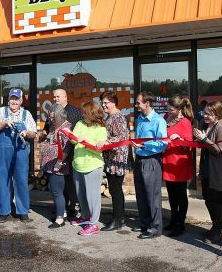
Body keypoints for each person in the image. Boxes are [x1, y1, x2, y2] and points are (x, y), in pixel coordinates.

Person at [0, 88, 37, 223]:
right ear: (8, 100)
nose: (14, 101)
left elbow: (34, 133)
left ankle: (23, 211)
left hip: (21, 150)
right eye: (12, 99)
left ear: (21, 101)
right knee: (3, 179)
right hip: (3, 150)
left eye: (17, 99)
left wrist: (27, 133)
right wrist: (3, 123)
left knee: (21, 180)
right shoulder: (0, 112)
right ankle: (4, 210)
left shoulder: (27, 114)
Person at [194, 100, 222, 244]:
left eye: (208, 113)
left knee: (218, 201)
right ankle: (214, 227)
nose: (204, 115)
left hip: (219, 170)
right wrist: (198, 138)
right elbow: (200, 143)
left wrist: (204, 139)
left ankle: (219, 232)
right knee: (208, 199)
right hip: (207, 167)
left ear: (217, 114)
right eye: (204, 112)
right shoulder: (206, 124)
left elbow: (219, 150)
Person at [131, 91, 167, 239]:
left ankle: (156, 227)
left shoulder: (159, 121)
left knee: (152, 196)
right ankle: (145, 223)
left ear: (147, 103)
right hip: (139, 159)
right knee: (141, 194)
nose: (136, 105)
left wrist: (144, 145)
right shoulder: (139, 118)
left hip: (151, 160)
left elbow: (163, 143)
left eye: (138, 102)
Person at [43, 88, 83, 218]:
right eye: (54, 97)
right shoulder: (52, 112)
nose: (55, 99)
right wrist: (44, 135)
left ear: (66, 97)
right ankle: (62, 208)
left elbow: (78, 131)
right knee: (59, 184)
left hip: (70, 153)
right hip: (56, 156)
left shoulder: (76, 112)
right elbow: (47, 128)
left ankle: (73, 206)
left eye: (58, 97)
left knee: (71, 183)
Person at [69, 101, 107, 236]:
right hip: (78, 164)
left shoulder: (101, 128)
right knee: (81, 194)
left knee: (93, 197)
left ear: (92, 114)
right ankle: (85, 216)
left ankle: (94, 224)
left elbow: (98, 150)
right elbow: (73, 139)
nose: (82, 115)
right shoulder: (80, 123)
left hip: (93, 166)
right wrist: (76, 138)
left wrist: (86, 143)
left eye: (85, 113)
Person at [96, 91, 131, 231]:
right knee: (115, 190)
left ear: (114, 103)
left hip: (117, 159)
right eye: (102, 102)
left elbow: (122, 136)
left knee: (116, 191)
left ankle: (118, 220)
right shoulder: (110, 116)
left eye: (106, 102)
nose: (103, 105)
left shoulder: (117, 117)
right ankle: (119, 218)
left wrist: (106, 141)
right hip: (111, 157)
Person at [163, 95, 194, 237]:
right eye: (168, 108)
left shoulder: (185, 122)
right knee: (171, 194)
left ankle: (180, 223)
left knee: (180, 195)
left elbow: (189, 146)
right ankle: (174, 219)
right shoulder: (166, 118)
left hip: (179, 162)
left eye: (172, 109)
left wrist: (180, 139)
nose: (168, 111)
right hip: (168, 160)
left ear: (180, 109)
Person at [40, 104, 71, 229]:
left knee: (57, 191)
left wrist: (59, 162)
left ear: (60, 116)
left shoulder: (66, 128)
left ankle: (59, 219)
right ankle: (62, 213)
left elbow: (67, 148)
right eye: (50, 117)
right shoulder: (54, 126)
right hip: (51, 164)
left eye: (53, 118)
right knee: (56, 191)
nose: (51, 120)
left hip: (58, 164)